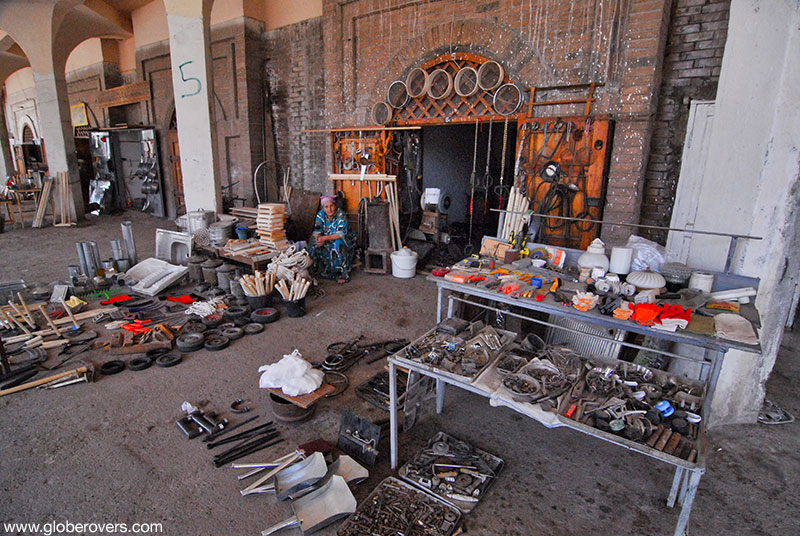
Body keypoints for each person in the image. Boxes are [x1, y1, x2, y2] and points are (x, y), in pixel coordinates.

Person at [308, 195, 355, 283]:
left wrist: (324, 238)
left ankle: (341, 274)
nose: (329, 209)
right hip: (326, 240)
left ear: (335, 206)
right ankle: (314, 270)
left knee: (337, 244)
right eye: (326, 207)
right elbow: (317, 231)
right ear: (323, 208)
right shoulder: (321, 215)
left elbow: (341, 234)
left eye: (331, 206)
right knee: (313, 244)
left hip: (344, 241)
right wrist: (319, 239)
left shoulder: (340, 215)